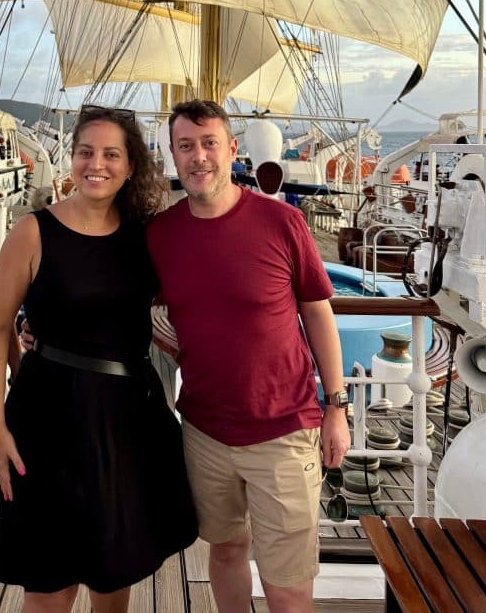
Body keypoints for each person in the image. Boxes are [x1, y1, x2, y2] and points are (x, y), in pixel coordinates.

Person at [0, 105, 197, 613]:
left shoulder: (145, 234)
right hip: (47, 419)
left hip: (127, 419)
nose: (96, 164)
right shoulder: (33, 232)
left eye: (111, 154)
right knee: (49, 583)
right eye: (85, 152)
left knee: (111, 575)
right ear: (71, 159)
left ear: (130, 164)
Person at [146, 99, 350, 613]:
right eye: (186, 146)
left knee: (286, 584)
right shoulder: (162, 236)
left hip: (284, 430)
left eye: (209, 143)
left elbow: (317, 313)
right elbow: (113, 296)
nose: (199, 157)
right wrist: (36, 323)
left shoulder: (281, 223)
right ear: (173, 155)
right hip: (205, 431)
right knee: (227, 547)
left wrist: (337, 406)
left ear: (232, 149)